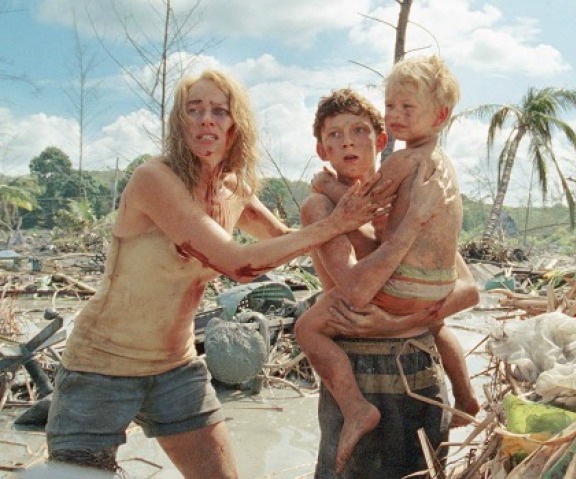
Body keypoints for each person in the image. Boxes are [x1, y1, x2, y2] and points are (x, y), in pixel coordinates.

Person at [44, 69, 398, 479]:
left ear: (236, 125)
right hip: (99, 366)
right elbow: (237, 263)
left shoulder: (233, 189)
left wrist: (336, 195)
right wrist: (334, 223)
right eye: (194, 110)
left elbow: (287, 240)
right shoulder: (155, 179)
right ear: (180, 123)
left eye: (219, 111)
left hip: (175, 368)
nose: (206, 120)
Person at [295, 57, 480, 476]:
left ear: (380, 140)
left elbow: (469, 291)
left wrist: (397, 324)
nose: (348, 143)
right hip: (359, 367)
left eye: (359, 130)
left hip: (414, 370)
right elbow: (355, 289)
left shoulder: (416, 193)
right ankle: (463, 396)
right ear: (322, 149)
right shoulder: (322, 208)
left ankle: (466, 396)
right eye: (335, 135)